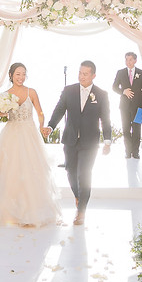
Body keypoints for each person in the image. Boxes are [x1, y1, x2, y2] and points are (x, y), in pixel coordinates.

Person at [0, 62, 59, 227]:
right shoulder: (5, 95)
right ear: (11, 75)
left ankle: (34, 210)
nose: (21, 77)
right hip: (11, 134)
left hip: (29, 133)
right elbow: (2, 116)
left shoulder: (31, 92)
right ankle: (9, 211)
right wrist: (3, 111)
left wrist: (41, 126)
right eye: (18, 74)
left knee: (32, 169)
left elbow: (39, 111)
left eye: (24, 74)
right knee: (10, 170)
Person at [43, 60, 111, 225]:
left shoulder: (101, 94)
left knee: (84, 174)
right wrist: (51, 126)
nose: (81, 76)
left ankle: (81, 211)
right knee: (71, 172)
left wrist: (107, 141)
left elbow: (106, 119)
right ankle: (78, 197)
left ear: (93, 75)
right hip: (70, 139)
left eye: (85, 74)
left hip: (90, 142)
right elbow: (59, 110)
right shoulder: (69, 90)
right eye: (80, 73)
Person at [112, 52, 142, 159]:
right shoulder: (120, 72)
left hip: (139, 107)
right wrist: (123, 91)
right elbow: (114, 87)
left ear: (135, 60)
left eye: (130, 59)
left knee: (137, 129)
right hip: (124, 106)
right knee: (126, 129)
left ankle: (135, 152)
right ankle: (128, 152)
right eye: (126, 59)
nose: (128, 62)